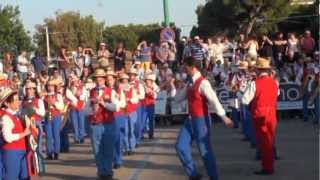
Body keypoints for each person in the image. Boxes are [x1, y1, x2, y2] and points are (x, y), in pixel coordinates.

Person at [170, 57, 233, 180]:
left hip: (201, 120)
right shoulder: (190, 82)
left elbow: (214, 100)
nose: (183, 69)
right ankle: (193, 174)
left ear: (192, 67)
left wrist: (223, 117)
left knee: (205, 151)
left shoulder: (203, 83)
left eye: (185, 67)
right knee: (180, 146)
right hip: (191, 120)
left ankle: (214, 177)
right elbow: (178, 99)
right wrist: (175, 87)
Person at [242, 58, 278, 175]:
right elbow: (277, 94)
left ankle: (267, 167)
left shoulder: (254, 83)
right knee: (270, 140)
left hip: (260, 113)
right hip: (272, 112)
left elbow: (244, 100)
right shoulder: (274, 82)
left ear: (257, 70)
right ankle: (269, 165)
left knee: (264, 142)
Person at [88, 69, 119, 179]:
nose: (99, 80)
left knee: (108, 149)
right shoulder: (91, 91)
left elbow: (116, 107)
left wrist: (103, 104)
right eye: (97, 78)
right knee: (97, 150)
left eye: (101, 78)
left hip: (108, 124)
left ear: (104, 79)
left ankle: (108, 172)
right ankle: (101, 172)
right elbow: (86, 110)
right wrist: (92, 109)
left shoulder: (111, 91)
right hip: (95, 124)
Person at [0, 88, 31, 180]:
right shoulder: (6, 117)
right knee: (11, 177)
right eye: (16, 100)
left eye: (19, 99)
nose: (18, 102)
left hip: (21, 151)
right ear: (7, 103)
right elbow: (8, 137)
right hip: (11, 152)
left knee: (24, 177)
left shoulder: (16, 115)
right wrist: (24, 133)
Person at [21, 81, 45, 155]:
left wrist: (35, 109)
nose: (29, 91)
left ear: (34, 90)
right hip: (26, 125)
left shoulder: (39, 100)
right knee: (28, 146)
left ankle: (38, 162)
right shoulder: (23, 101)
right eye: (28, 89)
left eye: (31, 89)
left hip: (36, 125)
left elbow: (42, 113)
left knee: (37, 146)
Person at [44, 79, 64, 160]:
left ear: (54, 87)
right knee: (48, 135)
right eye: (48, 86)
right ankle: (49, 152)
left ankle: (56, 152)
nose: (50, 87)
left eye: (51, 86)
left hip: (56, 116)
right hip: (47, 116)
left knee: (56, 135)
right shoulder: (44, 95)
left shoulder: (58, 95)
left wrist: (54, 103)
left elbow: (61, 107)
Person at [119, 73, 138, 155]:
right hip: (123, 112)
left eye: (126, 80)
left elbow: (135, 100)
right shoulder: (119, 91)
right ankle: (126, 148)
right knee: (125, 131)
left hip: (131, 112)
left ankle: (132, 148)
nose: (124, 82)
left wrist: (129, 99)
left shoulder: (132, 89)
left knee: (131, 130)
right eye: (123, 81)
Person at [129, 68, 145, 146]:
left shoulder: (140, 84)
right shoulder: (126, 84)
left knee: (138, 124)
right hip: (129, 106)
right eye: (130, 75)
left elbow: (142, 96)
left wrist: (134, 95)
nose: (131, 76)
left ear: (135, 76)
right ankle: (131, 141)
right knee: (129, 125)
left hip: (137, 106)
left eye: (133, 75)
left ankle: (137, 140)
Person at [143, 73, 159, 139]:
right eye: (146, 81)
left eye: (149, 81)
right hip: (144, 105)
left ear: (151, 81)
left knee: (151, 120)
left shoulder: (154, 87)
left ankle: (151, 134)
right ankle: (142, 134)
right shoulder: (144, 87)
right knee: (143, 120)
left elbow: (155, 95)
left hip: (151, 105)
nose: (147, 82)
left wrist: (152, 91)